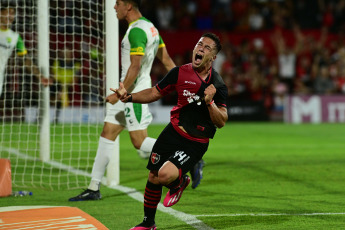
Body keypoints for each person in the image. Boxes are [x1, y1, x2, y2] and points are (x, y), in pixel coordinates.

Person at [110, 32, 228, 230]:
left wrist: (210, 104)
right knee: (153, 176)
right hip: (173, 132)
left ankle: (180, 181)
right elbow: (155, 92)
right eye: (199, 44)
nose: (200, 48)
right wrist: (128, 97)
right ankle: (148, 224)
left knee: (164, 175)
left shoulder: (217, 84)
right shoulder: (179, 72)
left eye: (207, 48)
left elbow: (222, 121)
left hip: (195, 142)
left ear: (213, 58)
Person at [68, 0, 177, 201]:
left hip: (133, 93)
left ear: (128, 6)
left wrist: (120, 92)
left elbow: (134, 67)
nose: (113, 7)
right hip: (127, 91)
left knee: (139, 141)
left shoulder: (136, 31)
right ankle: (93, 187)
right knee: (108, 132)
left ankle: (183, 155)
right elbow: (167, 60)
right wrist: (183, 81)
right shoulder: (151, 27)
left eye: (117, 3)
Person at [0, 1, 50, 98]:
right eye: (8, 12)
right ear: (1, 13)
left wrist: (39, 76)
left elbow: (25, 60)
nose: (10, 16)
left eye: (12, 13)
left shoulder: (15, 38)